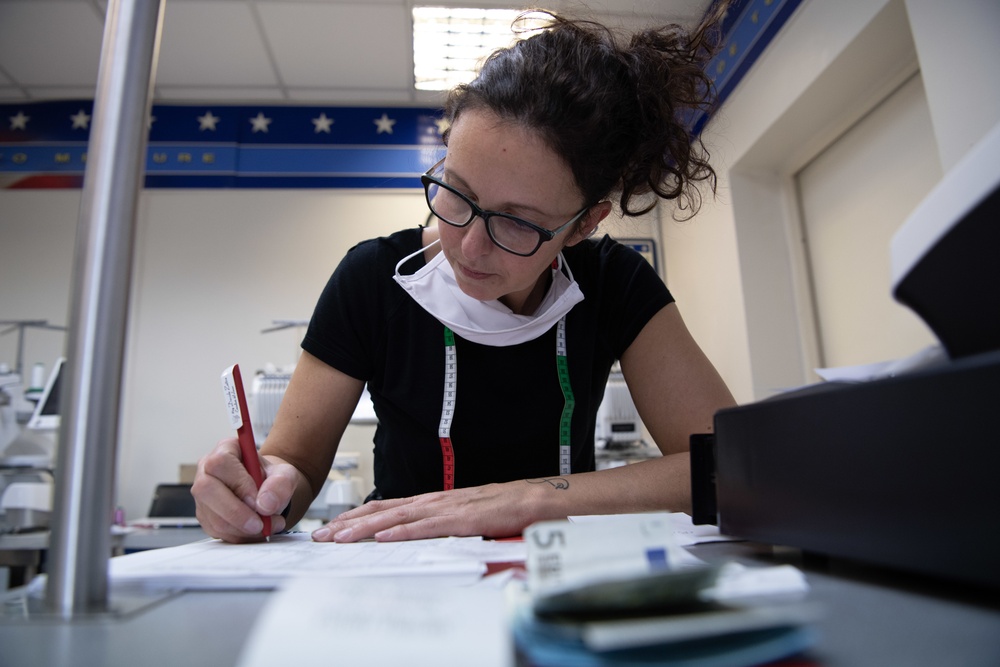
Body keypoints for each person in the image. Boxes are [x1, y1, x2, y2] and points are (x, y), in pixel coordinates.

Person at [193, 6, 737, 544]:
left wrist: (532, 497)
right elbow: (295, 463)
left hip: (556, 570)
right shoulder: (371, 279)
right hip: (398, 575)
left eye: (519, 222)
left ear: (583, 224)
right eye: (457, 194)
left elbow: (730, 465)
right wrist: (260, 492)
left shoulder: (617, 285)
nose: (470, 247)